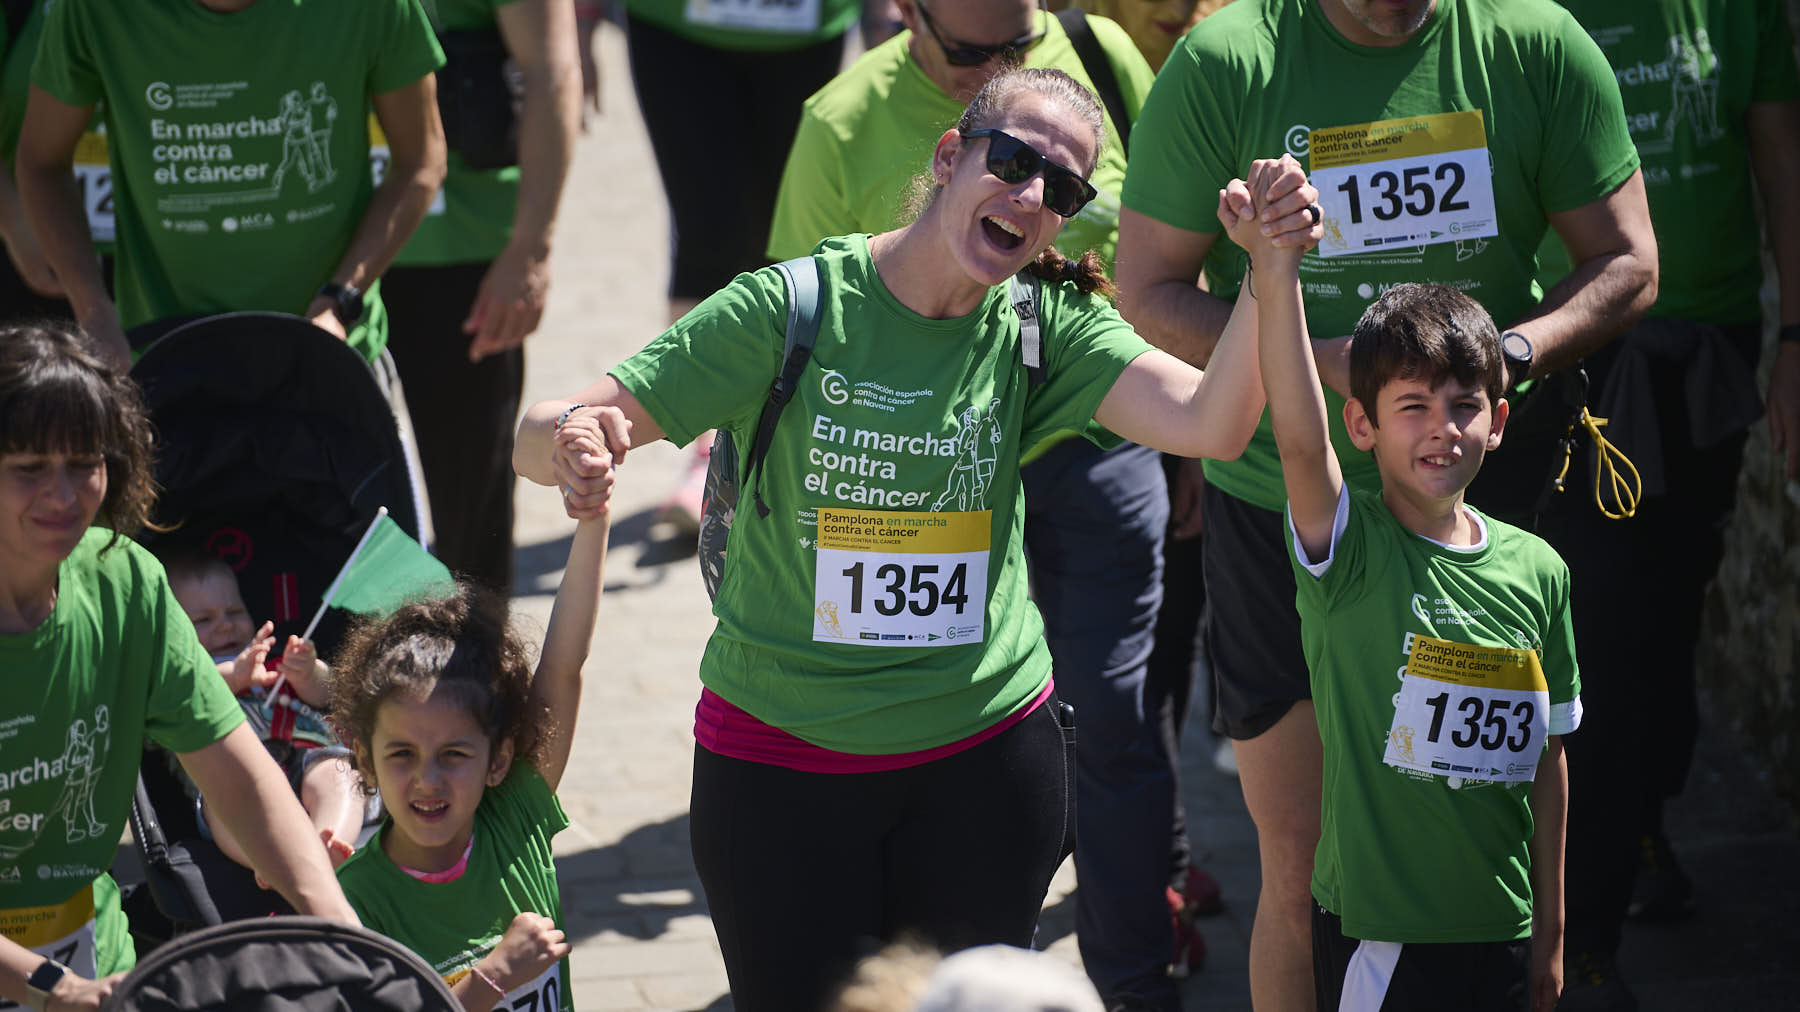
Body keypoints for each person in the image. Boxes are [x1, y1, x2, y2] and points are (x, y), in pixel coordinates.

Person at [517, 66, 1320, 1012]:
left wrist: (1272, 271)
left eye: (1060, 190)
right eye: (1013, 161)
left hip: (984, 765)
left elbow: (1214, 423)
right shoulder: (790, 310)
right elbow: (546, 424)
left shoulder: (1041, 324)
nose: (1030, 197)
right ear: (950, 157)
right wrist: (567, 442)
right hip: (783, 766)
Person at [1114, 2, 1654, 1005]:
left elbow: (1627, 260)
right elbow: (1145, 289)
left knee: (1464, 823)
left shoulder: (1532, 43)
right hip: (1284, 506)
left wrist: (1505, 365)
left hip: (1476, 518)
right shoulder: (1229, 60)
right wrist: (1316, 368)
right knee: (1302, 860)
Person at [765, 6, 1198, 1005]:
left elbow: (1164, 243)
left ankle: (1134, 984)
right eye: (965, 56)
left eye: (1013, 41)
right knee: (946, 726)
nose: (991, 67)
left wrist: (1190, 430)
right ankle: (923, 973)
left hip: (1097, 433)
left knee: (1116, 725)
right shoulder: (838, 118)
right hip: (927, 464)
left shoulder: (1099, 58)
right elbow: (794, 313)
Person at [1232, 158, 1579, 1011]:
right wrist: (1274, 270)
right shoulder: (1349, 554)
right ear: (1365, 424)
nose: (1441, 429)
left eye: (1463, 405)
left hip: (1501, 932)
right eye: (1412, 406)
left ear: (1498, 423)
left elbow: (1549, 756)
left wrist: (1553, 935)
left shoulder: (1540, 570)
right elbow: (1300, 442)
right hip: (1383, 943)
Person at [1532, 2, 1800, 1006]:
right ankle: (1581, 931)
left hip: (1707, 351)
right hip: (1583, 355)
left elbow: (1779, 163)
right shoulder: (1534, 16)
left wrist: (1796, 339)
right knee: (1600, 627)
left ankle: (1639, 811)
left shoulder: (1736, 12)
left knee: (1668, 613)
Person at [0, 322, 359, 1011]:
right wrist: (51, 988)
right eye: (29, 469)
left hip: (95, 962)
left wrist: (341, 929)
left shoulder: (125, 580)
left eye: (84, 463)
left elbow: (240, 777)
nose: (65, 493)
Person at [16, 0, 447, 369]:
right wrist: (94, 311)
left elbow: (421, 161)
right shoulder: (96, 9)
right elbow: (40, 162)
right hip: (162, 364)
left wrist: (337, 303)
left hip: (335, 355)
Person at [603, 0, 873, 528]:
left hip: (805, 28)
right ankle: (709, 450)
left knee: (789, 233)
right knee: (708, 233)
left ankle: (783, 440)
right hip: (676, 28)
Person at [331, 510, 609, 1012]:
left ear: (498, 761)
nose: (427, 779)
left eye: (454, 754)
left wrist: (593, 518)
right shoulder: (355, 904)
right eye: (401, 754)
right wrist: (494, 976)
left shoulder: (514, 820)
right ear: (365, 762)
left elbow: (563, 668)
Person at [382, 0, 581, 592]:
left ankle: (478, 671)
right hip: (325, 248)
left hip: (463, 249)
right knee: (330, 492)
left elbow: (553, 74)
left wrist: (529, 250)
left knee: (471, 506)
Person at [161, 548, 368, 875]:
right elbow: (176, 702)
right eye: (204, 620)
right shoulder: (177, 678)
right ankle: (269, 864)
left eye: (235, 611)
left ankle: (329, 844)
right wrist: (233, 676)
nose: (226, 626)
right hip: (228, 775)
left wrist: (309, 672)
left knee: (342, 774)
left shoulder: (275, 660)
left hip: (306, 757)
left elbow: (332, 695)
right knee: (223, 811)